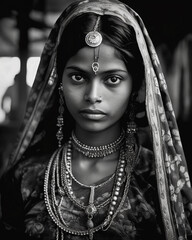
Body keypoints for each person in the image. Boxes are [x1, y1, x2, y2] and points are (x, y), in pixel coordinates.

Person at [0, 0, 192, 239]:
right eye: (78, 77)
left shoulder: (159, 179)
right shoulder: (25, 177)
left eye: (112, 79)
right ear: (59, 82)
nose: (92, 96)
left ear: (136, 87)